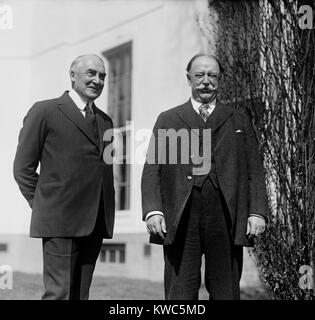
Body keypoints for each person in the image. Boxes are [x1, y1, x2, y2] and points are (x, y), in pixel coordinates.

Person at [141, 54, 268, 300]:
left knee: (226, 290)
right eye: (200, 75)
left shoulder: (238, 119)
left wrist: (257, 212)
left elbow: (254, 169)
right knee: (180, 291)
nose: (206, 81)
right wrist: (153, 210)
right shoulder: (169, 119)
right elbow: (152, 169)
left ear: (220, 79)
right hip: (181, 214)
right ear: (189, 78)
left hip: (226, 214)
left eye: (212, 75)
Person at [13, 54, 115, 300]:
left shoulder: (105, 121)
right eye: (91, 73)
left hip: (95, 222)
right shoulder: (45, 111)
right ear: (72, 75)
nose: (97, 80)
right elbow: (23, 168)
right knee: (59, 294)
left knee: (80, 295)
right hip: (59, 221)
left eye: (102, 76)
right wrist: (45, 205)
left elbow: (104, 171)